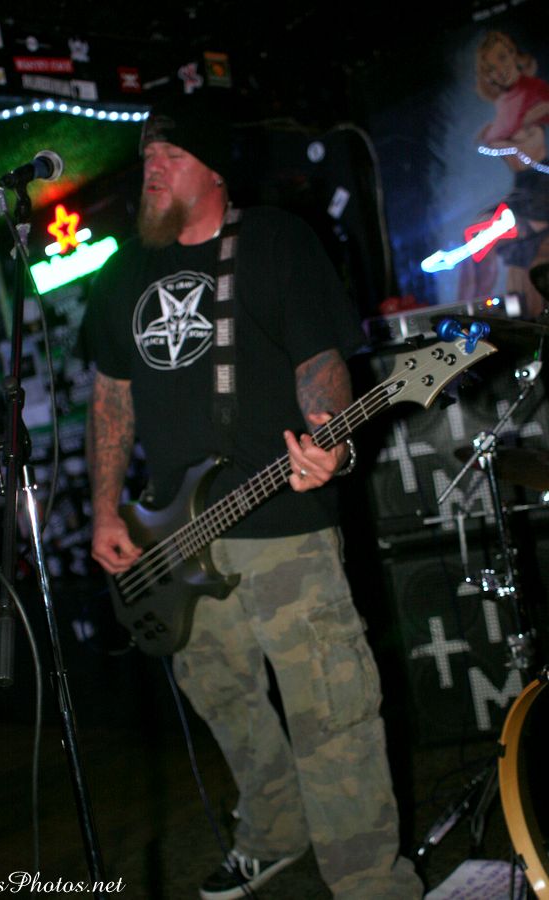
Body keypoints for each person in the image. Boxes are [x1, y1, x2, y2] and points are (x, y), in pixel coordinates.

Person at [79, 95, 423, 899]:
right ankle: (274, 832)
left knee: (331, 708)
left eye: (169, 155)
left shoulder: (273, 240)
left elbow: (322, 365)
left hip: (283, 521)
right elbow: (110, 397)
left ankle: (371, 884)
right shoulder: (124, 271)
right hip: (171, 539)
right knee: (225, 700)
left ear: (212, 171)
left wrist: (331, 441)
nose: (151, 169)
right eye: (146, 156)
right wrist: (103, 509)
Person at [458, 30, 549, 316]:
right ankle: (469, 318)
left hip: (541, 192)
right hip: (523, 191)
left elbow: (523, 143)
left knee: (492, 237)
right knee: (477, 240)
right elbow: (494, 140)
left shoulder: (534, 91)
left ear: (513, 54)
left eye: (502, 58)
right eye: (491, 67)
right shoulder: (505, 104)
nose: (499, 70)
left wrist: (509, 136)